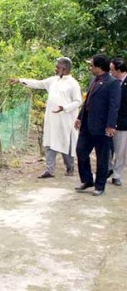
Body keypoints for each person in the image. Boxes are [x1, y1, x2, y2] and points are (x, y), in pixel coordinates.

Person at [10, 57, 82, 179]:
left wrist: (64, 107)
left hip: (66, 119)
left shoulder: (73, 83)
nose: (55, 69)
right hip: (52, 118)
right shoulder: (53, 80)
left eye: (57, 67)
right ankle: (50, 170)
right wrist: (19, 80)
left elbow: (78, 101)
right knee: (50, 142)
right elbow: (38, 83)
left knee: (66, 143)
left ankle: (70, 167)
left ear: (64, 69)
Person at [75, 54, 121, 196]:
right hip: (87, 124)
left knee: (102, 157)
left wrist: (111, 125)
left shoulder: (112, 83)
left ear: (99, 67)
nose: (90, 67)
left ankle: (99, 186)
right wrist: (79, 117)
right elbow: (87, 100)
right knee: (81, 151)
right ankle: (87, 180)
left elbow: (114, 106)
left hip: (102, 126)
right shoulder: (93, 80)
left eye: (92, 65)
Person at [109, 57, 127, 186]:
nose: (110, 72)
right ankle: (108, 169)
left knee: (120, 151)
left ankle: (117, 174)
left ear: (119, 70)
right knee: (107, 149)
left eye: (112, 70)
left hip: (123, 123)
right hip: (109, 122)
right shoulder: (110, 81)